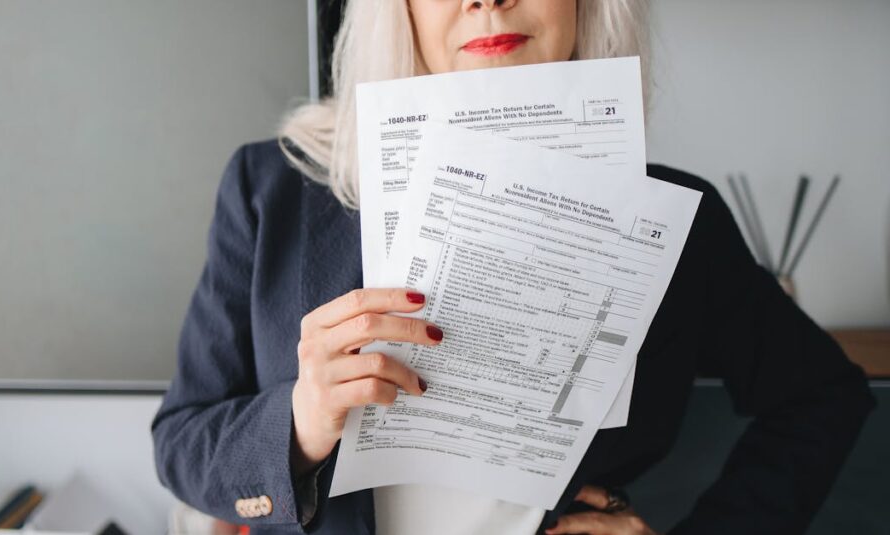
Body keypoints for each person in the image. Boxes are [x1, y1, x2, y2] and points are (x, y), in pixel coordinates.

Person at [150, 1, 877, 534]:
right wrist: (302, 421)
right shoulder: (272, 188)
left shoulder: (673, 216)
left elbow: (823, 396)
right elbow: (182, 443)